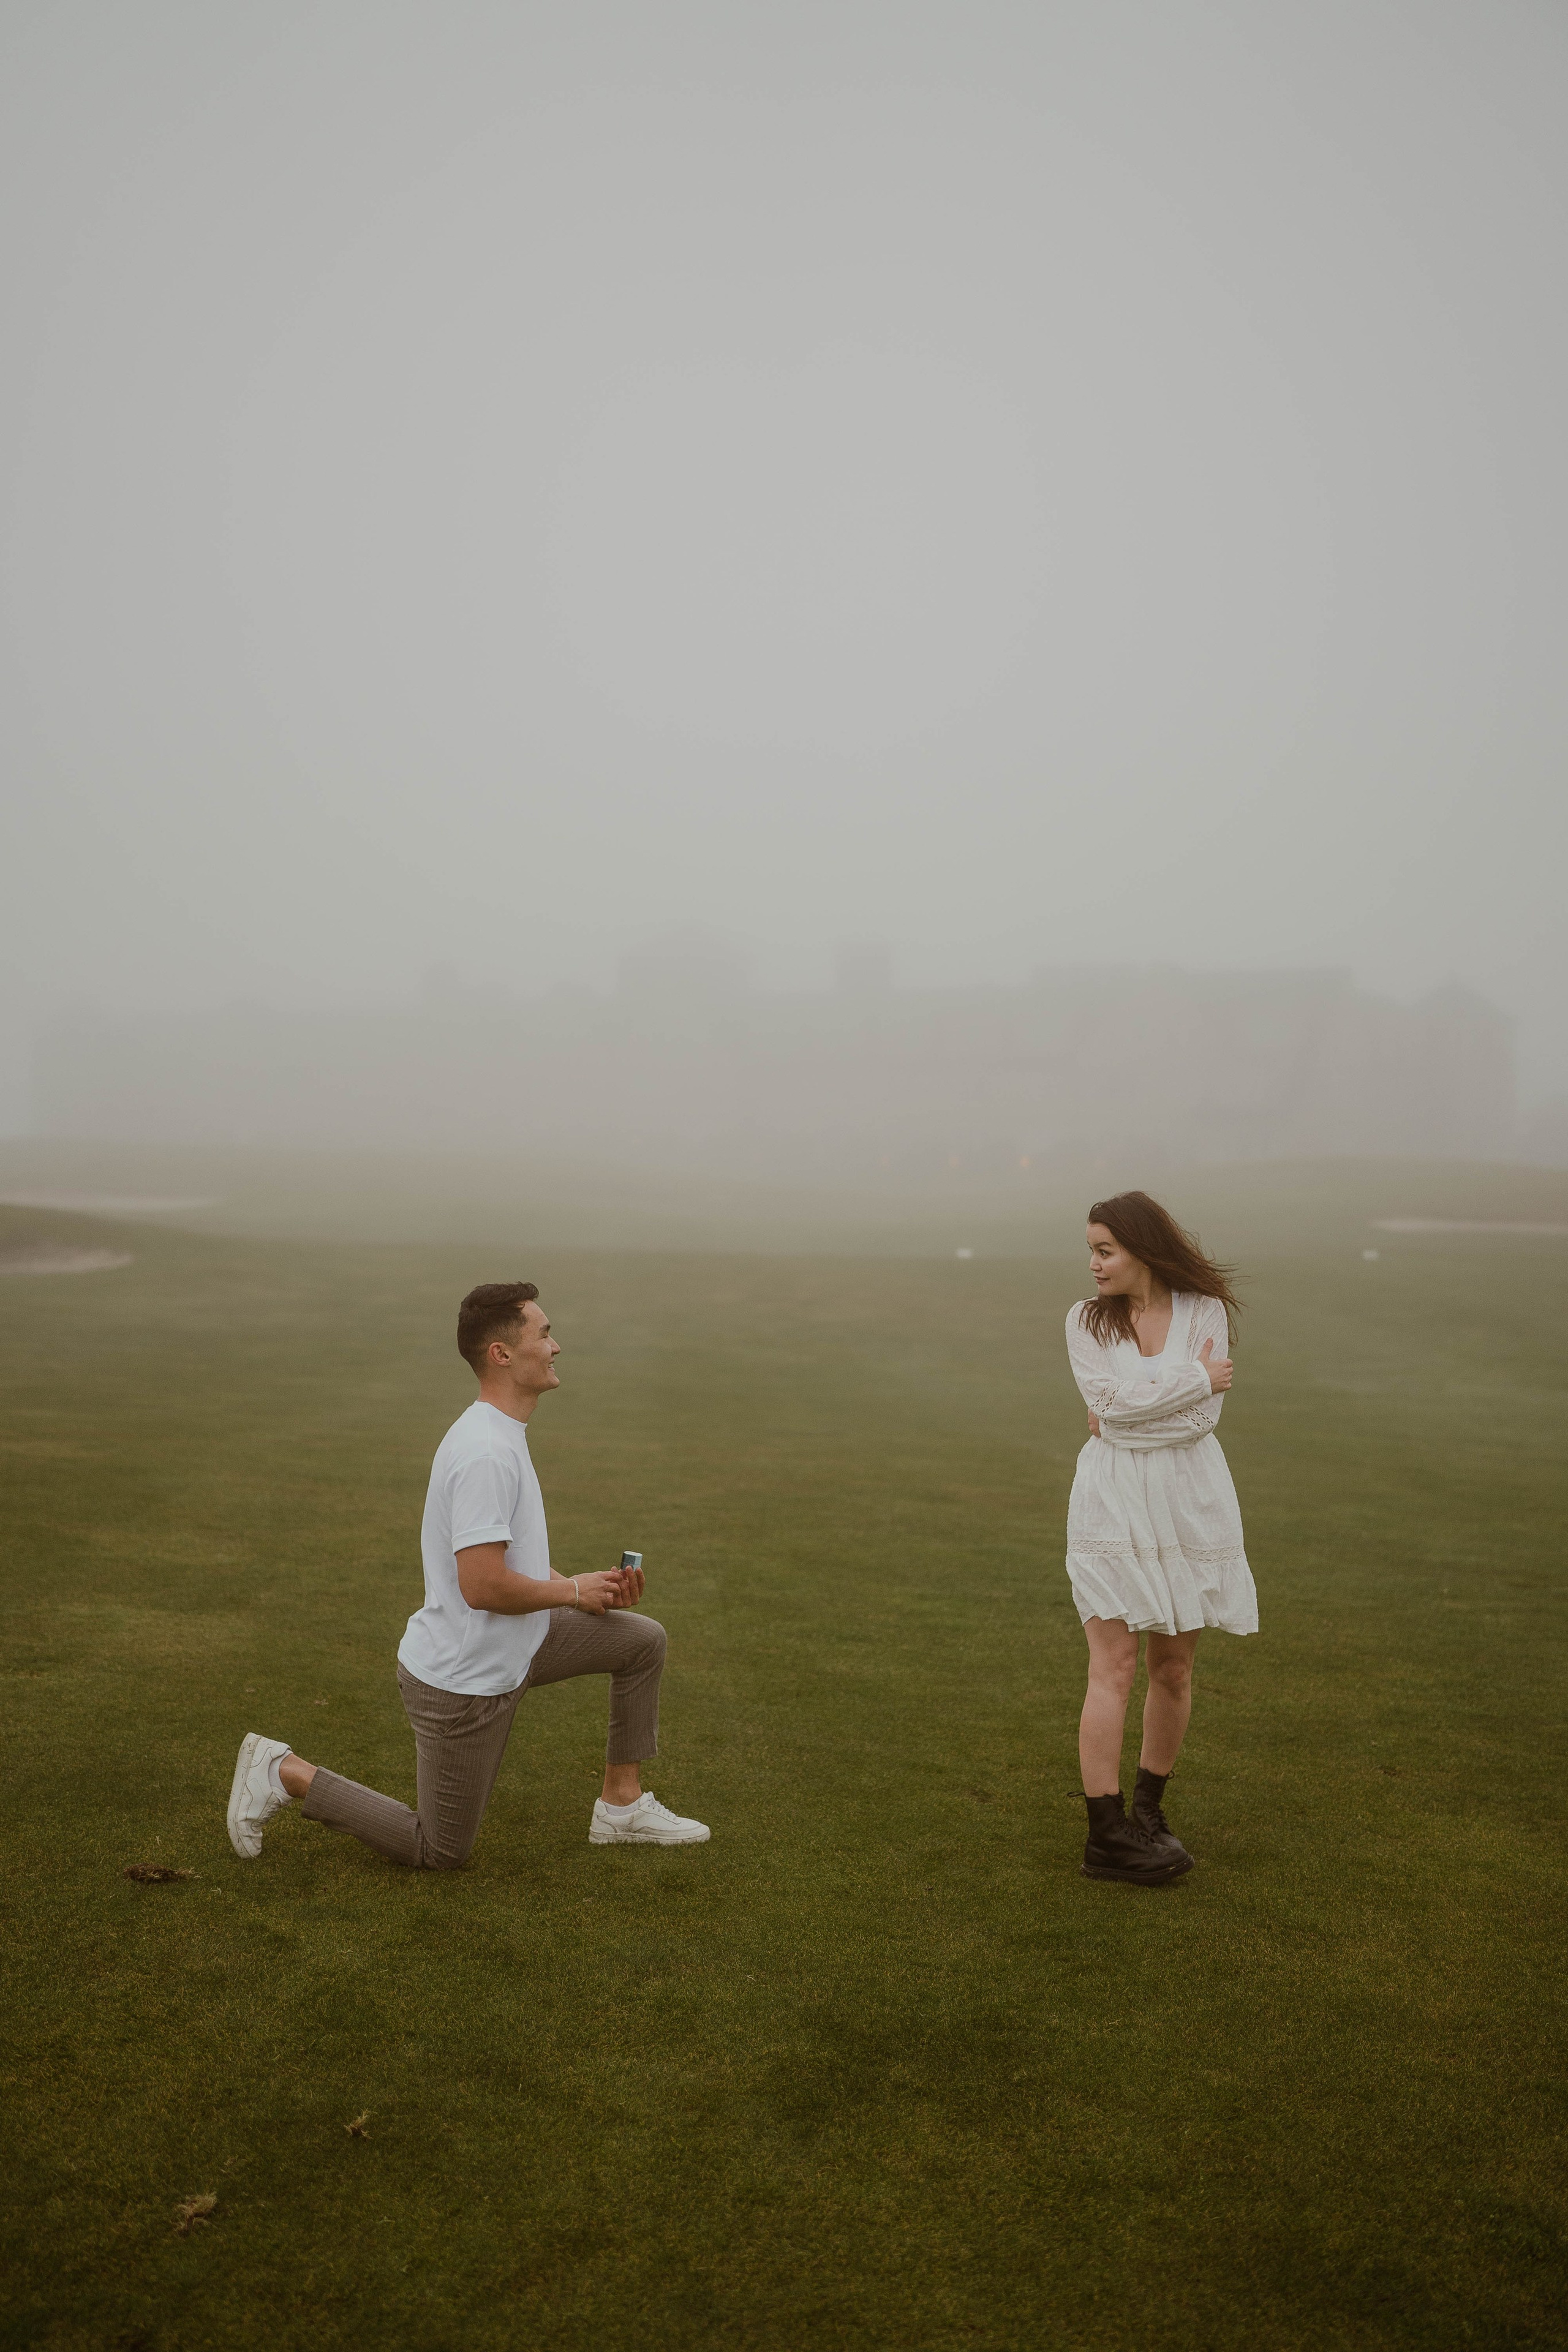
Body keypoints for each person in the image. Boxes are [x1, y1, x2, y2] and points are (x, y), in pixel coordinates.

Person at [226, 1280, 709, 1868]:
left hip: (520, 1644)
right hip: (463, 1683)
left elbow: (511, 1562)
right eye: (545, 1334)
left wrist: (585, 1593)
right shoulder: (485, 1451)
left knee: (641, 1643)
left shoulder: (503, 1434)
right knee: (439, 1850)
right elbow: (481, 1587)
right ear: (501, 1354)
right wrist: (571, 1590)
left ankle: (622, 1807)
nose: (556, 1347)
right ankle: (284, 1771)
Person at [1063, 1192, 1255, 1887]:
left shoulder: (1203, 1310)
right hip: (1110, 1501)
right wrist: (1192, 1377)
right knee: (1112, 1665)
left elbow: (1198, 1424)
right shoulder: (1085, 1320)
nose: (1093, 1264)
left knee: (1172, 1668)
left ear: (1142, 1247)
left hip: (1189, 1499)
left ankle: (1149, 1812)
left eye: (1104, 1250)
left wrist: (1131, 1405)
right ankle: (1105, 1834)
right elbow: (1112, 1414)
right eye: (1091, 1249)